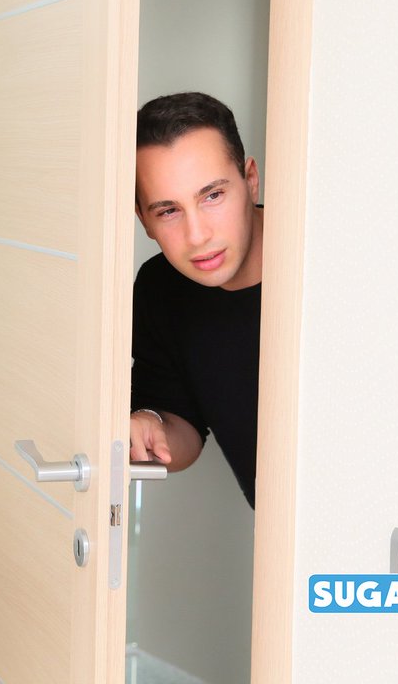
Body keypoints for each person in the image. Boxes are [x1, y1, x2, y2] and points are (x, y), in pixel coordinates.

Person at [128, 92, 263, 509]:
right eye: (168, 210)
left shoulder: (323, 262)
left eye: (212, 196)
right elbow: (182, 426)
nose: (198, 235)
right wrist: (149, 426)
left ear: (250, 180)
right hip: (281, 534)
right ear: (143, 219)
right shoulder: (159, 288)